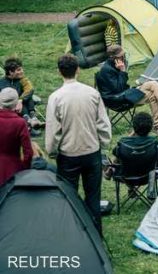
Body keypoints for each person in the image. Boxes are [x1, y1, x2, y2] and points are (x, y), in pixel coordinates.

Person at [45, 54, 111, 232]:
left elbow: (53, 129)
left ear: (59, 72)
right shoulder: (92, 93)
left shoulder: (56, 98)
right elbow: (103, 123)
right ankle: (95, 233)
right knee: (93, 197)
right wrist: (103, 142)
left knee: (69, 197)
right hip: (91, 152)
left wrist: (52, 151)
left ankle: (71, 233)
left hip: (68, 154)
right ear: (78, 70)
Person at [95, 45, 158, 136]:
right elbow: (119, 89)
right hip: (116, 100)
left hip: (125, 94)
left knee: (153, 83)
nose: (124, 57)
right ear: (113, 57)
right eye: (121, 56)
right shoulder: (106, 70)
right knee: (152, 95)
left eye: (124, 55)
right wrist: (122, 71)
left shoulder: (115, 65)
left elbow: (122, 87)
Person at [109, 112, 158, 177]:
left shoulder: (123, 143)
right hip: (148, 176)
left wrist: (131, 135)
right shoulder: (155, 142)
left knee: (117, 158)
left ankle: (108, 172)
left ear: (134, 127)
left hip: (126, 177)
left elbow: (115, 154)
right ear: (151, 128)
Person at [0, 88, 32, 186]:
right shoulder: (20, 122)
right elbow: (28, 152)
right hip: (13, 169)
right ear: (16, 103)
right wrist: (24, 168)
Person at [0, 56, 39, 128]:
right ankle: (28, 121)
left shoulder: (23, 80)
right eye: (18, 70)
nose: (22, 71)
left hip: (22, 104)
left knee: (28, 96)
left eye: (21, 69)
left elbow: (30, 89)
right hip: (8, 107)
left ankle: (32, 118)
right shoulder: (1, 82)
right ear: (11, 72)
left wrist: (20, 100)